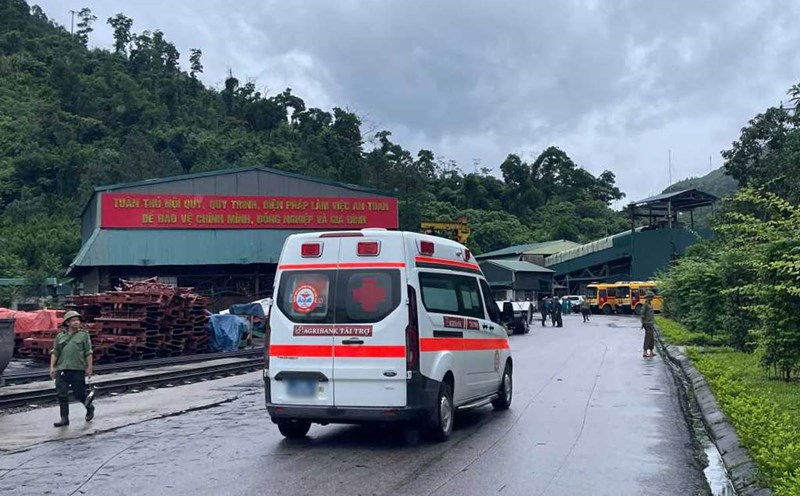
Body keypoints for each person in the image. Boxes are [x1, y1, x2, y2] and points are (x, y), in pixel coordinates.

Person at [50, 310, 94, 427]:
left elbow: (88, 352)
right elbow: (55, 352)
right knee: (62, 395)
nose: (76, 322)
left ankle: (89, 408)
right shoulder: (60, 336)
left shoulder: (84, 335)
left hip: (77, 369)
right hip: (62, 369)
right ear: (67, 323)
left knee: (79, 394)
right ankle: (64, 419)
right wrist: (52, 367)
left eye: (78, 320)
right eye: (73, 320)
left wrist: (89, 367)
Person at [641, 291, 657, 358]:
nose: (652, 298)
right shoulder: (645, 305)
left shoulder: (650, 304)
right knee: (647, 338)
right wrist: (643, 323)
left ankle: (651, 351)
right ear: (648, 297)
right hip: (647, 324)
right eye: (651, 297)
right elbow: (642, 314)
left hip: (651, 323)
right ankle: (645, 352)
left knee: (652, 338)